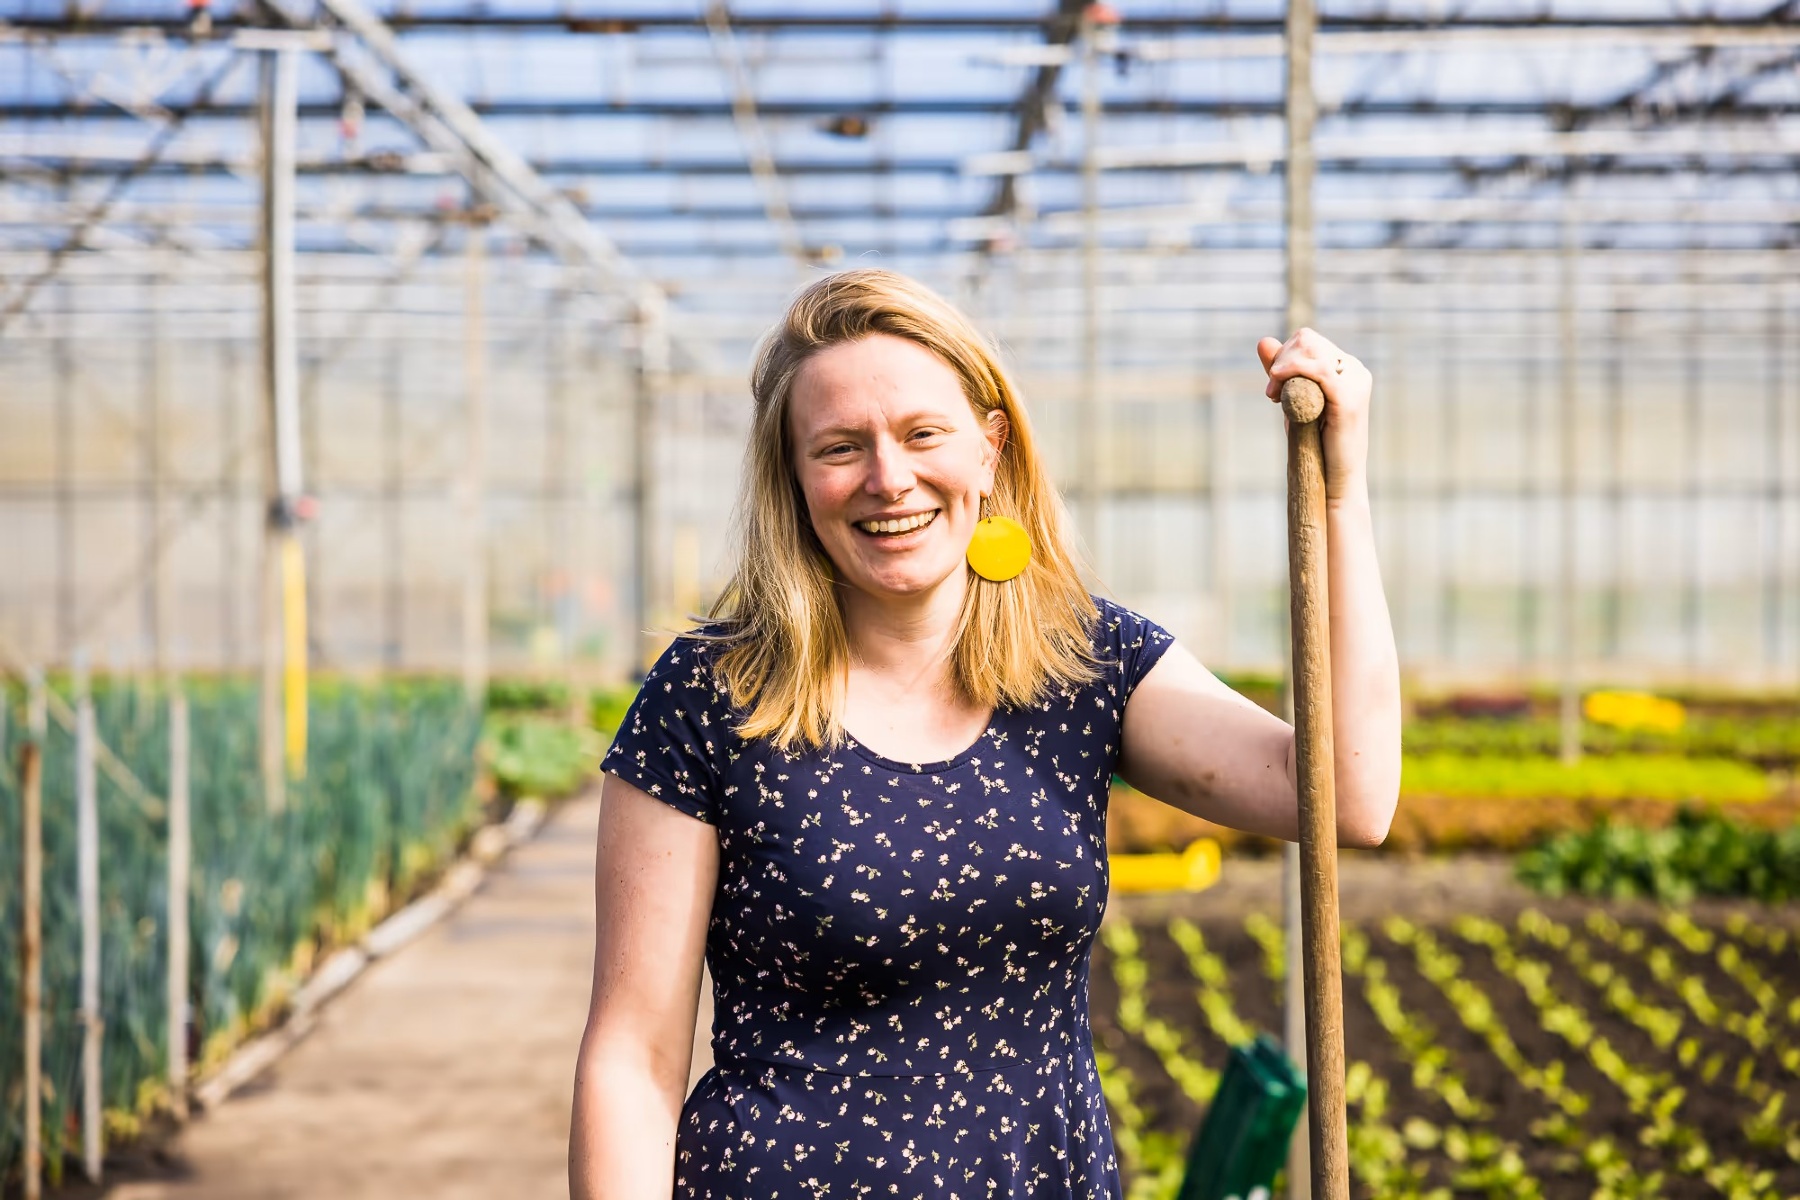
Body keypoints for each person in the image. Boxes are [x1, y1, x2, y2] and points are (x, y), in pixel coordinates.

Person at [569, 269, 1400, 1199]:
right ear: (794, 478)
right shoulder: (714, 693)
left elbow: (1347, 795)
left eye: (923, 434)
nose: (889, 478)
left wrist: (1340, 494)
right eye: (840, 447)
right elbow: (633, 1059)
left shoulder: (1085, 663)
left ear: (990, 448)